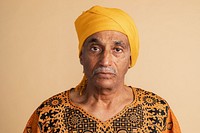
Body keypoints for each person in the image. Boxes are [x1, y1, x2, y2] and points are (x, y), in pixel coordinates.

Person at [23, 5, 181, 133]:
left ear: (130, 59)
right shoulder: (49, 114)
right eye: (95, 48)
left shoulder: (157, 111)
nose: (105, 61)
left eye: (117, 50)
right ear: (81, 56)